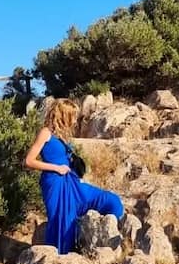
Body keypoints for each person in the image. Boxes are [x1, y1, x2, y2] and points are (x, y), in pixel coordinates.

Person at [25, 98, 124, 255]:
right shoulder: (45, 133)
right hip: (54, 183)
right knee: (62, 220)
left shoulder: (63, 136)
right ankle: (59, 257)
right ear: (63, 115)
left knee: (111, 200)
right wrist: (56, 168)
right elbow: (29, 161)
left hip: (72, 182)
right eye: (72, 115)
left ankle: (110, 237)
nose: (74, 120)